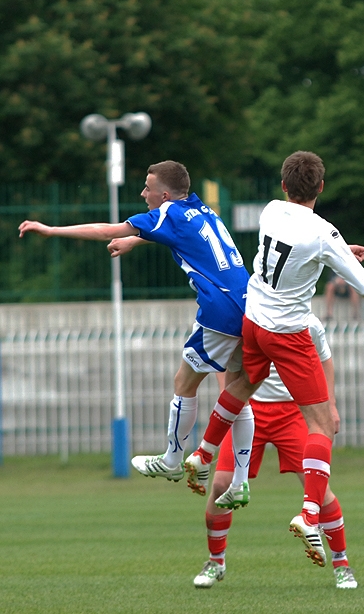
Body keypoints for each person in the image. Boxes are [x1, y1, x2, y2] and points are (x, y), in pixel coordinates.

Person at [184, 151, 364, 568]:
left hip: (253, 321)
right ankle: (309, 515)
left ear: (284, 185)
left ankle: (201, 452)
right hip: (287, 333)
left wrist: (342, 251)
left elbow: (299, 253)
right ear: (321, 187)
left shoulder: (271, 211)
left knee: (241, 385)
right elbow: (362, 285)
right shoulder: (324, 232)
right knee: (322, 424)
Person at [18, 160, 253, 485]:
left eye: (148, 188)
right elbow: (179, 235)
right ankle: (241, 482)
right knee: (236, 391)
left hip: (220, 311)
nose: (143, 193)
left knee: (184, 383)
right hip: (250, 306)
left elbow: (105, 230)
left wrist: (50, 229)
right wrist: (136, 240)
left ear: (165, 194)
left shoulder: (167, 213)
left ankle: (173, 459)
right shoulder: (200, 209)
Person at [194, 314, 358, 591]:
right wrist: (230, 397)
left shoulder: (307, 321)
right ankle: (215, 561)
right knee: (221, 485)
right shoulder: (246, 317)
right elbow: (224, 358)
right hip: (250, 410)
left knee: (318, 489)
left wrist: (330, 405)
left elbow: (324, 358)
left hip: (293, 411)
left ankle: (342, 564)